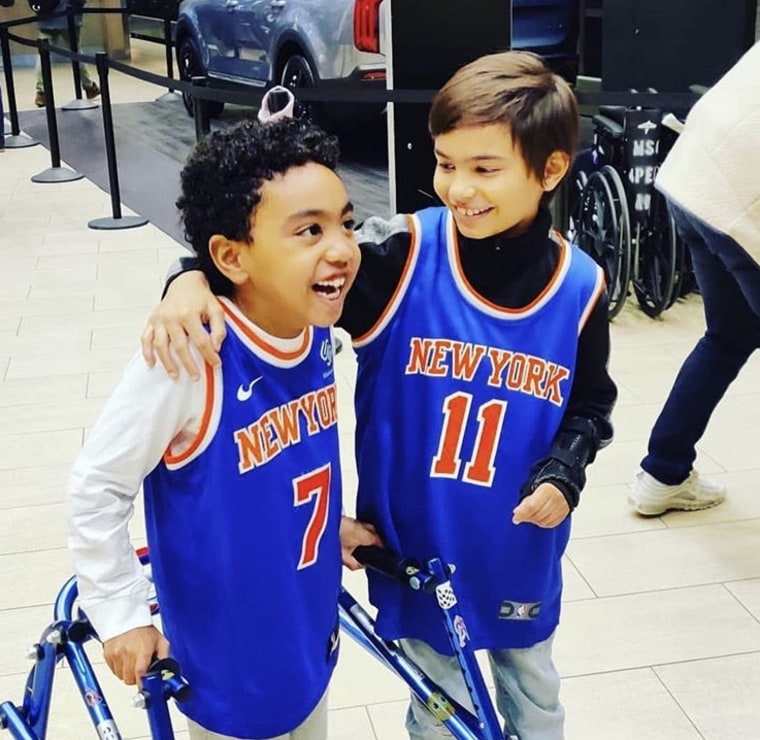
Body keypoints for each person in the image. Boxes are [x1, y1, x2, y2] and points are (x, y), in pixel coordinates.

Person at [142, 52, 617, 739]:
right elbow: (276, 268)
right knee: (441, 710)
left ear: (550, 170)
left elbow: (592, 404)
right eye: (446, 163)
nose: (458, 187)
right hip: (417, 548)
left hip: (519, 543)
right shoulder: (404, 257)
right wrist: (188, 276)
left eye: (485, 169)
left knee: (536, 697)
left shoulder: (581, 286)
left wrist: (566, 469)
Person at [68, 109, 381, 740]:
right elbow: (95, 488)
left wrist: (325, 528)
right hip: (229, 652)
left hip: (303, 623)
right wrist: (121, 613)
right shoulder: (191, 356)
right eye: (309, 230)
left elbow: (286, 461)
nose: (344, 247)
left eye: (345, 222)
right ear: (231, 258)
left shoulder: (314, 327)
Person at [628, 42, 760, 517]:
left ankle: (663, 472)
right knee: (728, 336)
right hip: (742, 201)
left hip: (695, 181)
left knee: (729, 335)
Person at [33, 0, 99, 108]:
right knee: (75, 52)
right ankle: (89, 87)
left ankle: (41, 93)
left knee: (43, 54)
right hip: (68, 16)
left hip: (45, 16)